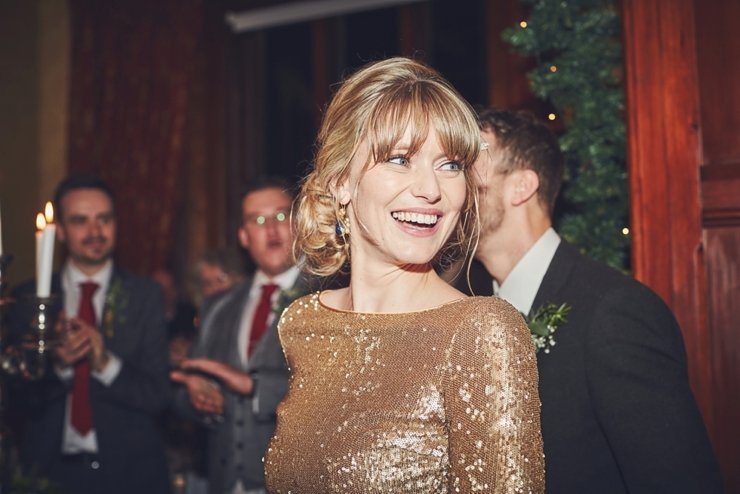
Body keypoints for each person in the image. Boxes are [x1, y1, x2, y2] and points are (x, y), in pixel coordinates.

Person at [263, 57, 544, 493]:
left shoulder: (479, 331)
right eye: (400, 159)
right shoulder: (303, 324)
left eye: (450, 165)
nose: (432, 189)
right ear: (341, 181)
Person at [454, 107, 722, 493]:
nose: (452, 186)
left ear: (521, 187)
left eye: (470, 167)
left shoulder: (614, 313)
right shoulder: (467, 307)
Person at [7, 175, 171, 494]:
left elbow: (159, 396)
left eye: (104, 219)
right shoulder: (29, 299)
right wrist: (56, 364)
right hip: (49, 472)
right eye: (81, 221)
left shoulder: (144, 295)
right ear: (62, 232)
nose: (95, 231)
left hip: (130, 473)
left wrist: (105, 363)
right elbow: (16, 401)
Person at [171, 176, 315, 494]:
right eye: (257, 220)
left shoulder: (329, 297)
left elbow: (340, 399)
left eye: (281, 215)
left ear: (299, 224)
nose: (272, 229)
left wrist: (255, 388)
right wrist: (196, 397)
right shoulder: (219, 305)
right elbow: (181, 395)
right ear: (244, 237)